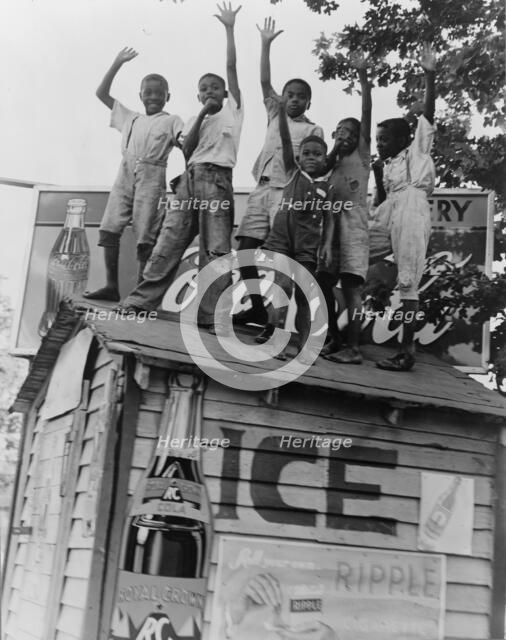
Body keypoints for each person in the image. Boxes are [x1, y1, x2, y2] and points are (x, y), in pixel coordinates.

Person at [117, 2, 243, 334]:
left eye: (215, 88)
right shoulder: (192, 119)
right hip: (190, 181)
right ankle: (141, 301)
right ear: (198, 95)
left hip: (217, 181)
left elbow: (231, 66)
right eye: (203, 89)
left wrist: (229, 29)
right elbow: (186, 150)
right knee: (168, 242)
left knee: (216, 249)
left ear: (226, 93)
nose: (210, 92)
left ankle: (212, 315)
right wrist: (201, 113)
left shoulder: (234, 111)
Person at [234, 17, 324, 328]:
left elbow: (311, 164)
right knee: (245, 248)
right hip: (262, 186)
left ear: (308, 101)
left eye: (301, 96)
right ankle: (257, 307)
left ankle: (278, 319)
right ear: (282, 99)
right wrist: (266, 44)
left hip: (287, 193)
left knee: (279, 256)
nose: (294, 99)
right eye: (290, 94)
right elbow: (263, 81)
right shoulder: (275, 112)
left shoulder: (313, 128)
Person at [84, 48, 183, 302]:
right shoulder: (130, 117)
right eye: (148, 92)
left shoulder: (171, 120)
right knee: (109, 227)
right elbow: (101, 93)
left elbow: (186, 143)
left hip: (153, 173)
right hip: (126, 171)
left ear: (167, 96)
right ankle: (111, 286)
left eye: (159, 93)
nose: (153, 97)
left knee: (145, 234)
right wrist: (117, 62)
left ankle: (140, 293)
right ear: (140, 95)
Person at [370, 42, 437, 371]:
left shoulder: (417, 151)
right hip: (391, 209)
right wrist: (377, 173)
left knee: (409, 278)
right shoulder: (387, 165)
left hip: (412, 207)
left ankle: (406, 351)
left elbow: (429, 114)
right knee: (352, 251)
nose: (379, 143)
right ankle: (374, 294)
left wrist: (429, 75)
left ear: (402, 139)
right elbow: (382, 207)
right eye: (377, 139)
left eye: (384, 139)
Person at [260, 96, 336, 363]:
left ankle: (304, 349)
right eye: (307, 154)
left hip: (307, 248)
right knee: (281, 289)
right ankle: (275, 342)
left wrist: (325, 246)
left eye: (318, 154)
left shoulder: (327, 187)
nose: (312, 158)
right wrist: (281, 112)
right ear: (299, 157)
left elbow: (330, 220)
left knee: (304, 297)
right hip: (282, 242)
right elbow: (283, 138)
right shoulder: (293, 172)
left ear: (325, 158)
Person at [318, 51, 372, 364]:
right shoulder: (332, 165)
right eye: (340, 131)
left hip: (354, 224)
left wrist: (363, 77)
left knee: (351, 286)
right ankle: (334, 338)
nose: (346, 136)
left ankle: (353, 347)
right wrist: (334, 148)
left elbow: (365, 110)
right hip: (331, 226)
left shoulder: (362, 156)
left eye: (351, 133)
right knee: (324, 281)